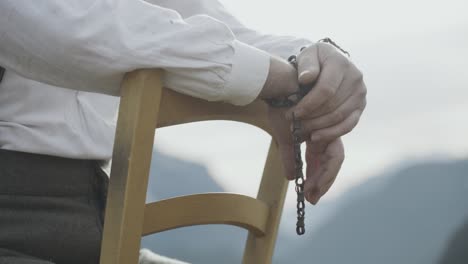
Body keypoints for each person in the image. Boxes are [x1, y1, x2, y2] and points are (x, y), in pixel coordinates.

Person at [0, 0, 367, 263]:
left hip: (96, 223)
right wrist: (276, 80)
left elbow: (208, 25)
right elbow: (59, 25)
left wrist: (311, 68)